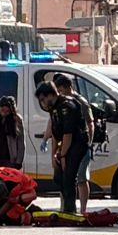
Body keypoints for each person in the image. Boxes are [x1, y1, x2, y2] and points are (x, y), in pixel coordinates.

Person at [50, 72, 94, 215]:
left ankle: (83, 210)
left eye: (61, 90)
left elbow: (90, 123)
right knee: (65, 179)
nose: (59, 94)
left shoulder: (79, 102)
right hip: (67, 146)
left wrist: (88, 144)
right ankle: (66, 208)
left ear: (68, 87)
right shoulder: (59, 104)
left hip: (80, 145)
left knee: (80, 178)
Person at [0, 95, 27, 171]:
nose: (4, 113)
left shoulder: (17, 119)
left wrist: (19, 161)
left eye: (7, 111)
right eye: (2, 110)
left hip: (10, 158)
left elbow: (21, 142)